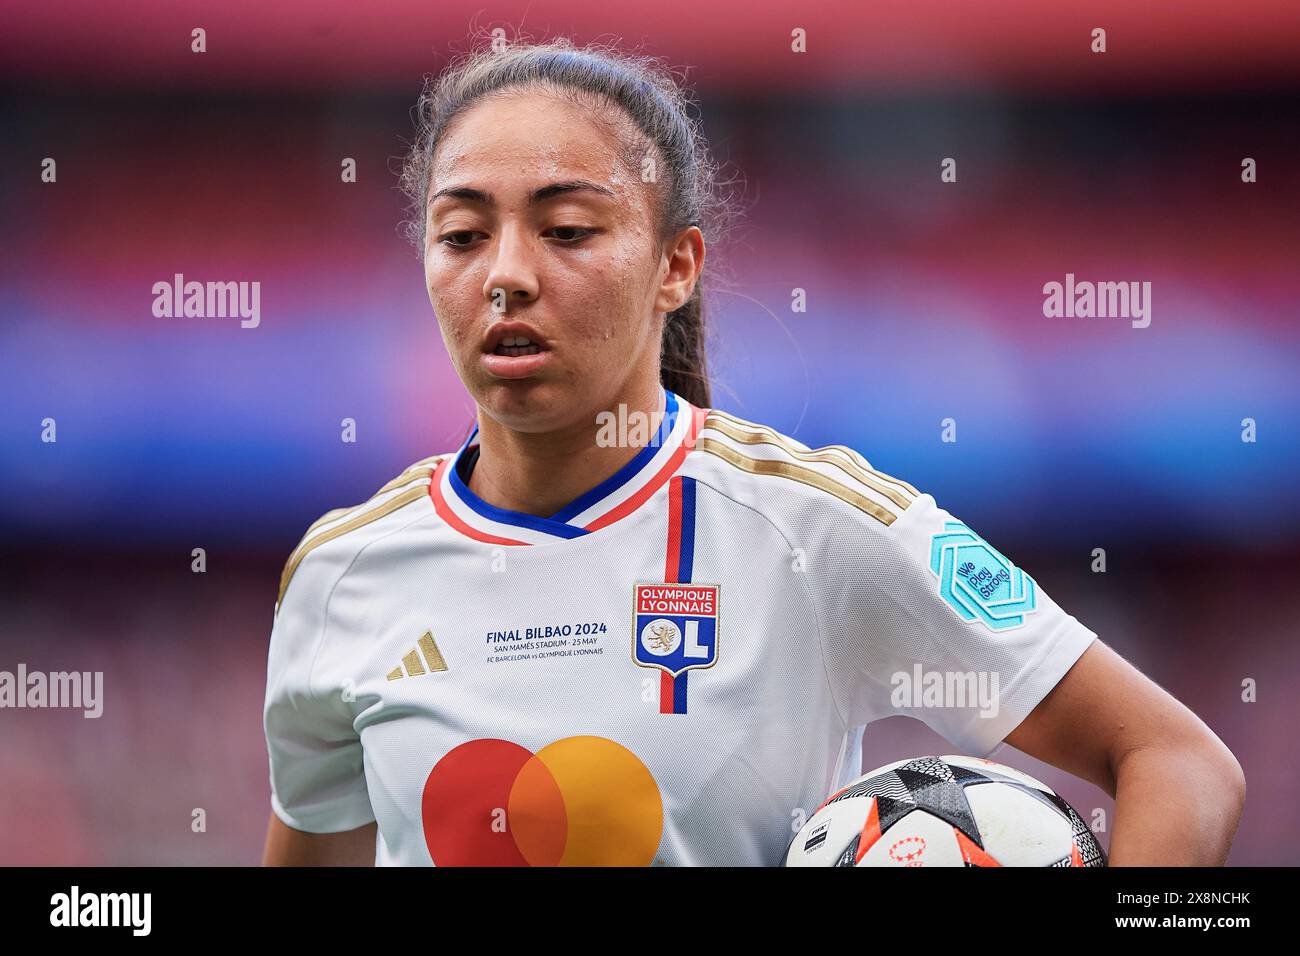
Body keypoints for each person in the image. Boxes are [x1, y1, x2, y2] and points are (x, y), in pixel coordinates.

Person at [261, 38, 1244, 866]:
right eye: (462, 233)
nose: (507, 275)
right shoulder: (341, 574)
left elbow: (1177, 760)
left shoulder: (815, 528)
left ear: (673, 267)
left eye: (566, 229)